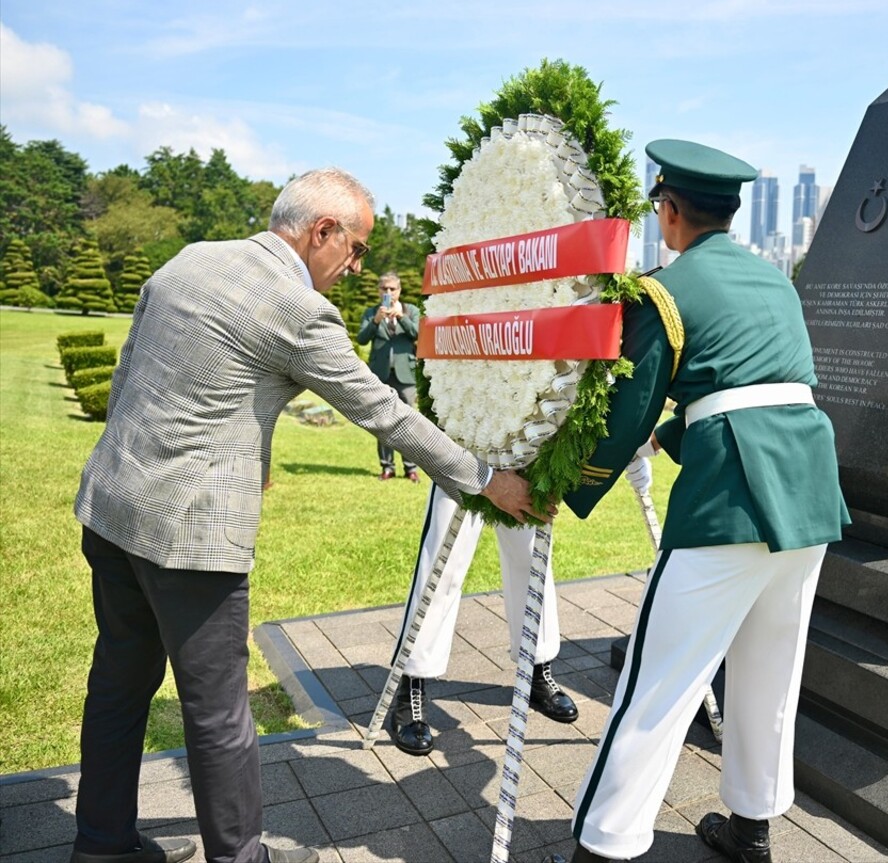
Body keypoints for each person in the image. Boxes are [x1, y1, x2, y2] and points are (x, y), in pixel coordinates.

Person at [71, 168, 543, 863]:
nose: (355, 269)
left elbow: (136, 370)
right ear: (321, 231)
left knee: (118, 681)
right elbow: (382, 410)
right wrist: (485, 479)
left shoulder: (191, 257)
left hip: (112, 506)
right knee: (219, 712)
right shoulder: (298, 308)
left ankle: (101, 847)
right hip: (190, 537)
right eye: (353, 249)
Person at [543, 141, 849, 863]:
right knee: (772, 671)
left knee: (657, 684)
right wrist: (673, 438)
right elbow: (758, 387)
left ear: (670, 211)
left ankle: (602, 848)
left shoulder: (667, 290)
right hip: (807, 495)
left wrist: (564, 483)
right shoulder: (776, 282)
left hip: (729, 503)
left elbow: (627, 409)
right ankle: (752, 832)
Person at [386, 482, 579, 756]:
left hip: (523, 451)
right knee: (443, 564)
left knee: (531, 558)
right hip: (460, 450)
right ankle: (410, 688)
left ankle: (537, 669)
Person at [356, 272, 423, 482]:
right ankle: (387, 467)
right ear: (378, 291)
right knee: (382, 422)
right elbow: (362, 339)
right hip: (380, 374)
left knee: (408, 422)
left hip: (405, 375)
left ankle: (410, 468)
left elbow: (419, 334)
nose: (388, 293)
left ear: (399, 290)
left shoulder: (411, 311)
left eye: (392, 289)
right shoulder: (371, 312)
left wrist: (401, 317)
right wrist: (376, 321)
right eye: (384, 289)